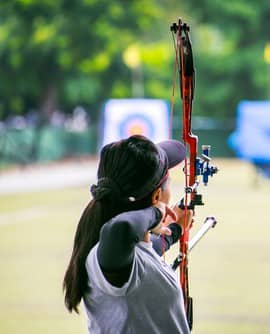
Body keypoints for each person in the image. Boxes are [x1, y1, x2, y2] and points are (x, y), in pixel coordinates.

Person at [63, 134, 192, 333]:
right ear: (157, 196)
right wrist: (157, 212)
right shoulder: (105, 255)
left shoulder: (125, 257)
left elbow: (148, 256)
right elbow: (121, 230)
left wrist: (176, 229)